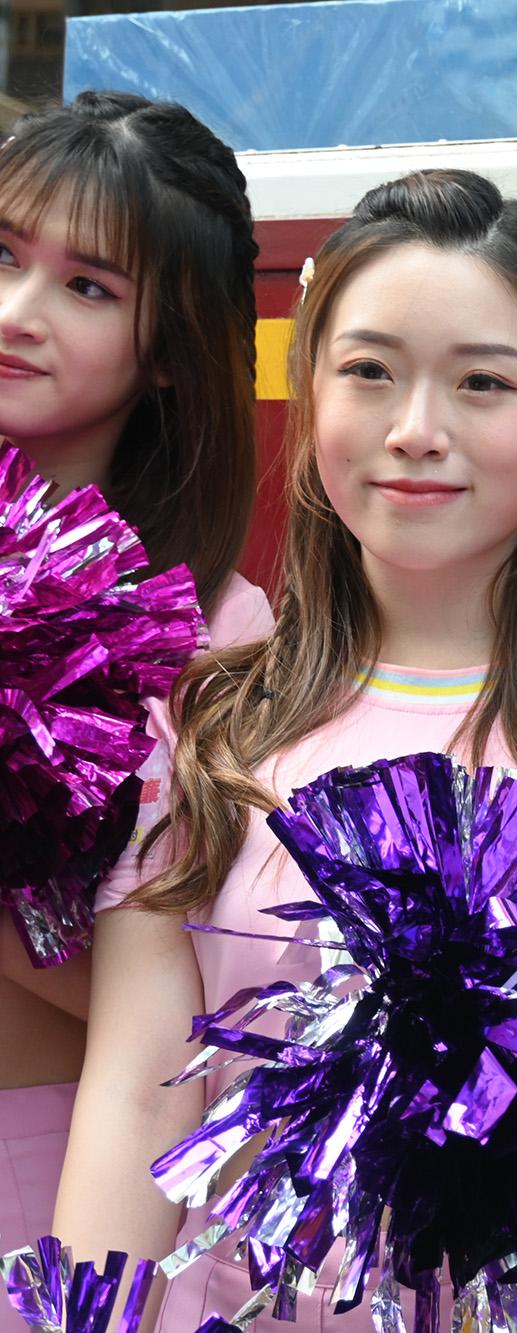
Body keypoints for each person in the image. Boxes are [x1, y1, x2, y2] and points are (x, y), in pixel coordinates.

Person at [52, 168, 517, 1331]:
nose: (415, 431)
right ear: (310, 389)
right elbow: (137, 1100)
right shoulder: (209, 721)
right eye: (369, 371)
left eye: (482, 382)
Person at [0, 93, 268, 1327]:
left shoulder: (222, 643)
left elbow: (206, 1018)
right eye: (4, 255)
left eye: (87, 286)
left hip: (52, 1181)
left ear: (169, 347)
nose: (20, 311)